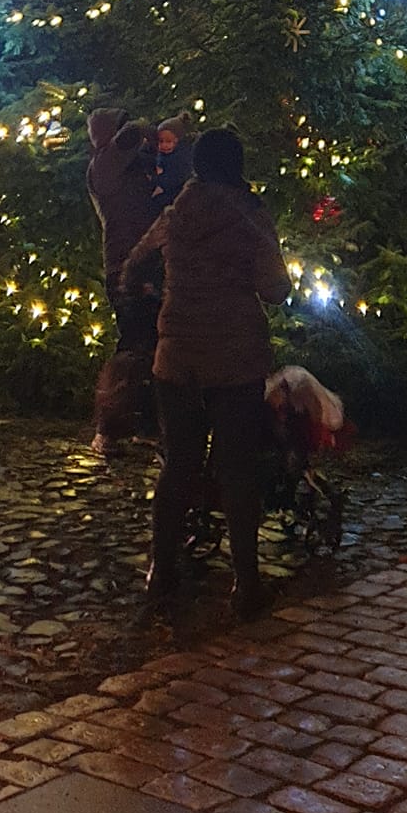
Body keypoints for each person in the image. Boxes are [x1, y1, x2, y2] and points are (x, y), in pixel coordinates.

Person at [120, 126, 291, 622]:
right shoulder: (251, 217)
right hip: (235, 358)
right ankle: (247, 583)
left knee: (178, 464)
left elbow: (133, 266)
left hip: (176, 359)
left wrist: (155, 290)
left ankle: (161, 571)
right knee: (237, 469)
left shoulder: (176, 214)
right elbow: (275, 288)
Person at [86, 108, 162, 453]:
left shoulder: (133, 167)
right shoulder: (105, 166)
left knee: (152, 347)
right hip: (125, 271)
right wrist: (155, 127)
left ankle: (145, 425)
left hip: (149, 265)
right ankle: (109, 427)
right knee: (133, 347)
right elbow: (133, 132)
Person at [153, 113, 195, 204]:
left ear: (179, 140)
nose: (164, 145)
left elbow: (174, 179)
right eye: (161, 141)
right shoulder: (163, 155)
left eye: (168, 141)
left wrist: (155, 179)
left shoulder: (181, 158)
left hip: (177, 194)